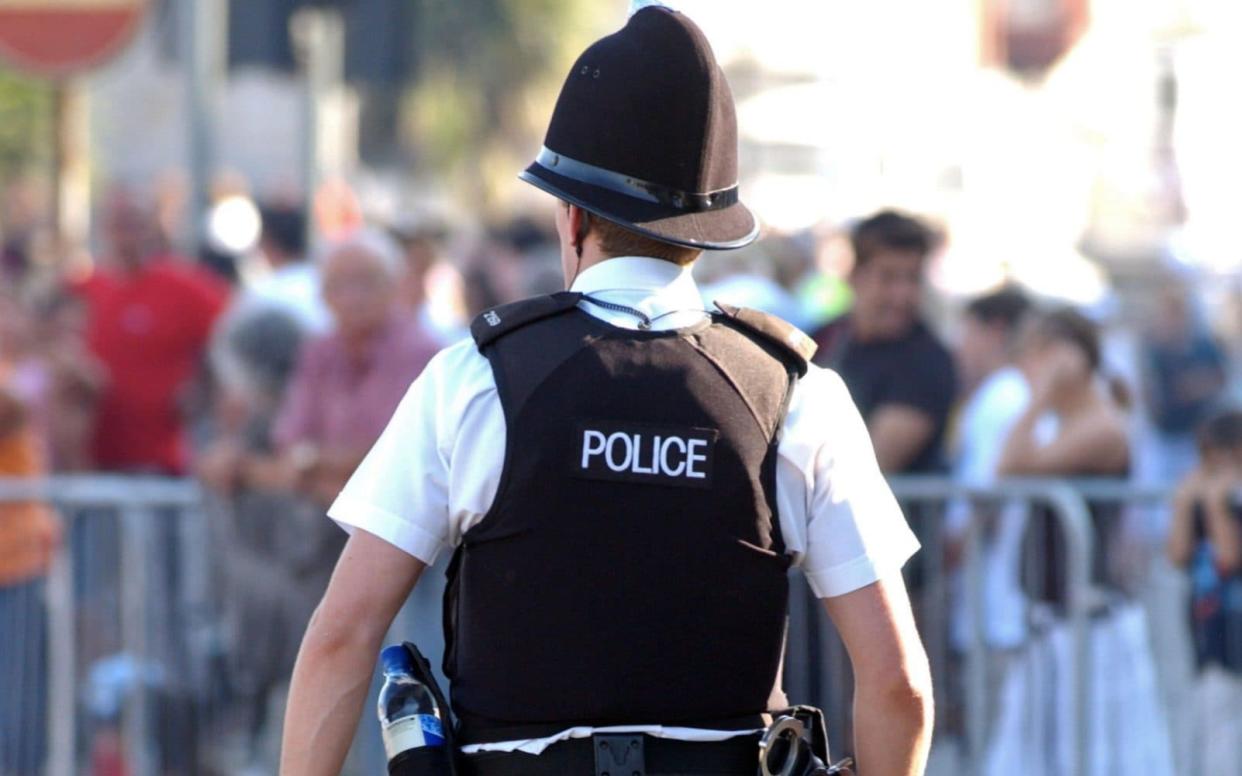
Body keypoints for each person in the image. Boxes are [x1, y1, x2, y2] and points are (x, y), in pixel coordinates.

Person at [281, 6, 932, 776]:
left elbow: (341, 636)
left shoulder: (474, 379)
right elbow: (898, 686)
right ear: (706, 229)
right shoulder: (796, 394)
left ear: (575, 215)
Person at [72, 187, 230, 475]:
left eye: (134, 223)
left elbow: (235, 332)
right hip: (92, 456)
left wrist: (203, 388)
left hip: (163, 456)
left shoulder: (184, 286)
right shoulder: (83, 288)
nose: (126, 234)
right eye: (118, 224)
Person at [999, 306, 1131, 605]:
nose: (1023, 365)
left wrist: (1042, 392)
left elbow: (1009, 466)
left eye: (1032, 353)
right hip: (1061, 608)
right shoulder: (1066, 423)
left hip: (1090, 614)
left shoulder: (1102, 427)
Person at [812, 210, 955, 474]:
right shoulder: (822, 339)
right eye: (888, 277)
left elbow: (872, 465)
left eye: (912, 278)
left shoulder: (927, 361)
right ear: (855, 275)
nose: (902, 295)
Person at [948, 288, 1033, 651]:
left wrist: (953, 547)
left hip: (997, 592)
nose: (961, 346)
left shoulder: (1003, 395)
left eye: (968, 332)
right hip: (1000, 590)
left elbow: (986, 490)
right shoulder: (1009, 392)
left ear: (995, 331)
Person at [1166, 409, 1242, 774]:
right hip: (1209, 630)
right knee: (1214, 731)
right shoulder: (1202, 495)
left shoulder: (1227, 500)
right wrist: (1184, 504)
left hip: (1235, 630)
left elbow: (1228, 558)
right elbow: (1178, 555)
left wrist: (1215, 505)